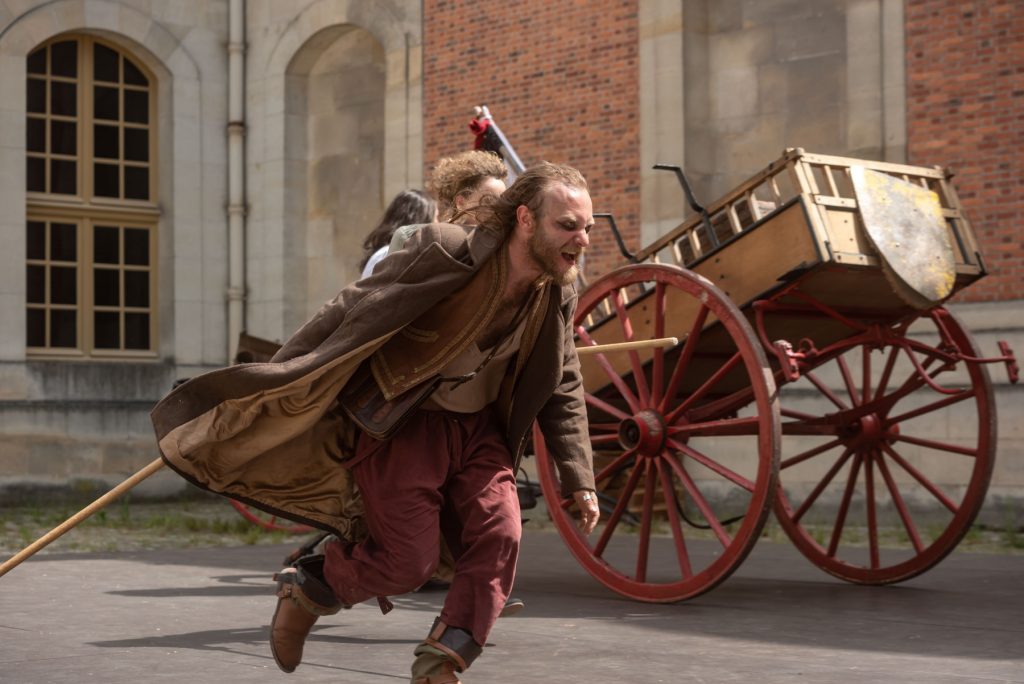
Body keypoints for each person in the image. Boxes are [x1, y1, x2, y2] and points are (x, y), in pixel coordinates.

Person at [150, 161, 601, 683]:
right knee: (409, 563)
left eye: (587, 226)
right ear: (526, 219)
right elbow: (349, 309)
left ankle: (445, 658)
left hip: (481, 432)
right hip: (404, 421)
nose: (582, 239)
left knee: (500, 534)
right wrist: (276, 379)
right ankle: (312, 586)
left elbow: (563, 380)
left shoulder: (557, 289)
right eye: (567, 226)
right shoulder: (446, 249)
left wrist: (579, 479)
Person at [360, 189, 437, 279]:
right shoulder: (389, 254)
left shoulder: (386, 253)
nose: (437, 222)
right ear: (422, 220)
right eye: (436, 217)